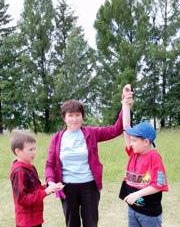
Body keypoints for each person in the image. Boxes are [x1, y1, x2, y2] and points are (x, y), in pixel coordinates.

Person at [45, 84, 133, 227]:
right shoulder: (57, 138)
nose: (74, 119)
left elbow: (116, 130)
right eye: (70, 115)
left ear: (82, 116)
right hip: (67, 188)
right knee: (71, 224)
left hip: (89, 186)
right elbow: (49, 164)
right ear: (64, 118)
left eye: (78, 115)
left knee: (91, 223)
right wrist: (50, 181)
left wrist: (124, 105)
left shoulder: (91, 133)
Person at [119, 85, 169, 227]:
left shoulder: (154, 157)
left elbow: (159, 185)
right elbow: (126, 128)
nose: (131, 143)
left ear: (146, 142)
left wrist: (137, 194)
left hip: (149, 214)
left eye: (134, 140)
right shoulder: (134, 153)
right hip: (133, 209)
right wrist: (125, 105)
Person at [10, 133, 59, 227]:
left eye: (34, 149)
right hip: (26, 222)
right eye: (30, 149)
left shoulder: (31, 167)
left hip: (36, 219)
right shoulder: (19, 171)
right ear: (18, 151)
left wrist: (50, 187)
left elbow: (35, 189)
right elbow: (22, 199)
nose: (34, 152)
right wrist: (45, 192)